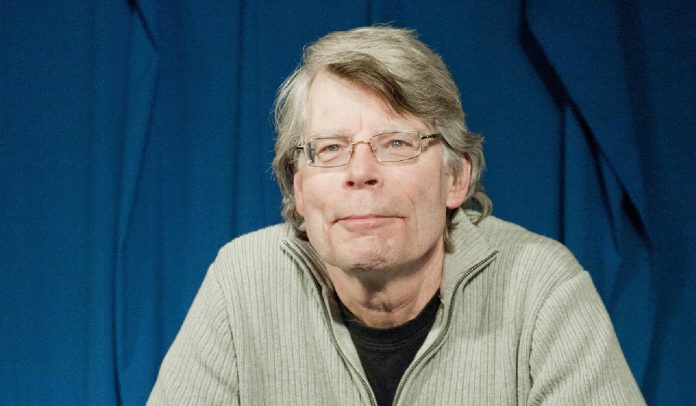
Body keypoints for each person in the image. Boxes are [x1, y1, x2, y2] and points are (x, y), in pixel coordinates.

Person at [148, 25, 645, 405]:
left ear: (456, 177)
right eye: (331, 148)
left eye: (397, 144)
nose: (361, 172)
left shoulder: (542, 287)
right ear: (299, 188)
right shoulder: (240, 282)